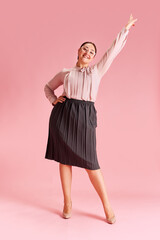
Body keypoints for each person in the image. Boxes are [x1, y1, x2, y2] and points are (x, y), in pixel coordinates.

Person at [44, 14, 137, 224]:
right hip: (63, 116)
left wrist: (125, 29)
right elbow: (47, 87)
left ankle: (107, 205)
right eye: (85, 48)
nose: (88, 52)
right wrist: (53, 100)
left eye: (92, 51)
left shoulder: (96, 71)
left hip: (85, 116)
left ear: (94, 57)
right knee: (64, 160)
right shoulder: (65, 72)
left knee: (91, 164)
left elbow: (112, 51)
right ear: (78, 51)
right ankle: (67, 203)